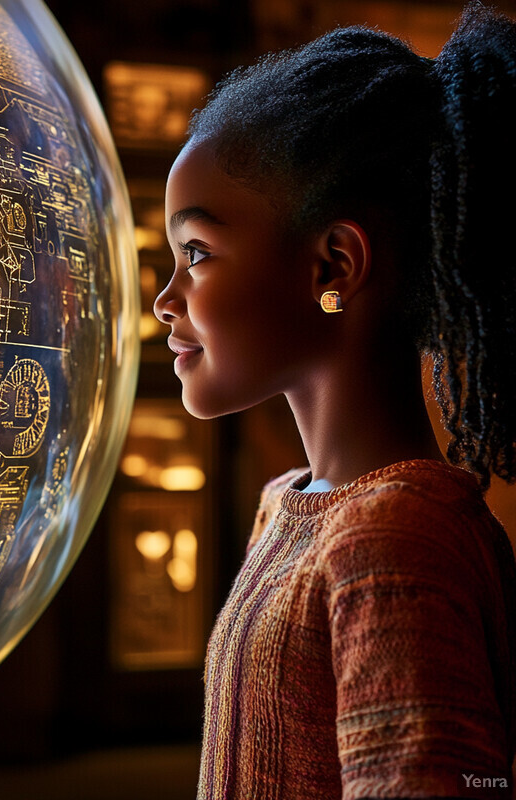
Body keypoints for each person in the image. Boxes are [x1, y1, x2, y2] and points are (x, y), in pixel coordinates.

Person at [153, 3, 516, 799]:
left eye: (198, 253)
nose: (166, 299)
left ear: (333, 268)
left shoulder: (395, 537)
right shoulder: (288, 507)